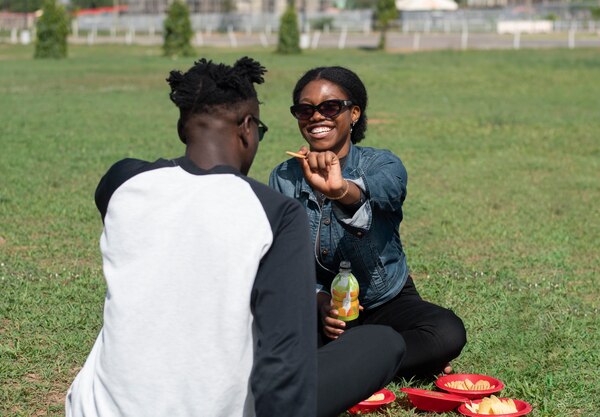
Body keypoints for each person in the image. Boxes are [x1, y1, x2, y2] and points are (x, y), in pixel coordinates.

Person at [66, 57, 404, 417]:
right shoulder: (272, 212)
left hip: (94, 408)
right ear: (247, 128)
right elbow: (282, 366)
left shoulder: (122, 183)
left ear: (184, 129)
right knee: (382, 342)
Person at [269, 66, 467, 380]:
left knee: (447, 332)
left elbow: (386, 194)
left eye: (330, 107)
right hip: (325, 308)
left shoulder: (383, 164)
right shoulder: (284, 177)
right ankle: (390, 362)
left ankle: (346, 364)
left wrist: (340, 190)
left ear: (355, 113)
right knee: (270, 334)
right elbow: (287, 258)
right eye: (305, 110)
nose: (317, 117)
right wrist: (320, 300)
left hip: (385, 300)